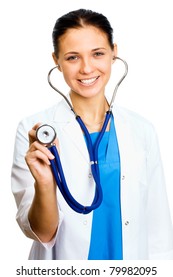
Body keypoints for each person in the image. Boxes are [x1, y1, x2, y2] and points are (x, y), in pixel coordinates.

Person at [11, 8, 173, 260]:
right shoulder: (33, 130)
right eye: (73, 57)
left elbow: (159, 228)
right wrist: (44, 183)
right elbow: (43, 234)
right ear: (56, 60)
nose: (87, 68)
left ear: (114, 53)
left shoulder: (142, 130)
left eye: (97, 53)